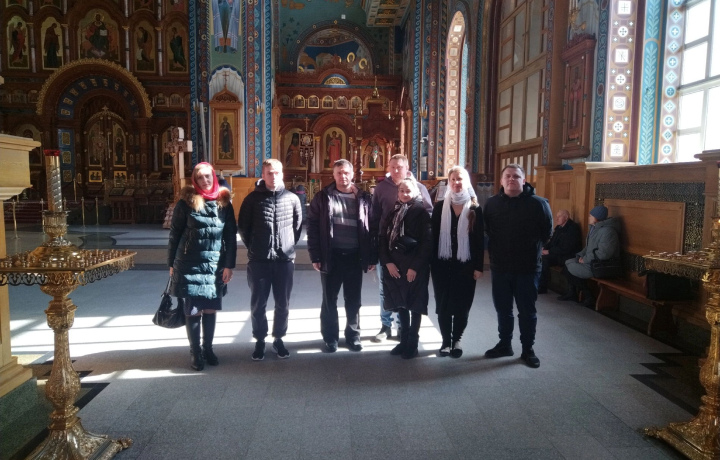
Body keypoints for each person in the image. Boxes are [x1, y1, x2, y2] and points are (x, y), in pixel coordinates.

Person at [168, 162, 237, 371]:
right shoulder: (185, 203)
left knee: (210, 307)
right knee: (193, 308)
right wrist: (171, 263)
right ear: (195, 180)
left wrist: (229, 265)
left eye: (208, 176)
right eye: (200, 177)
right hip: (189, 263)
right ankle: (195, 352)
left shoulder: (224, 203)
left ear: (213, 177)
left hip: (215, 263)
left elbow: (230, 237)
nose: (205, 180)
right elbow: (174, 234)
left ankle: (208, 348)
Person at [483, 164, 552, 368]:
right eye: (507, 176)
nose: (511, 179)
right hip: (500, 267)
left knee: (527, 311)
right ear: (501, 181)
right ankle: (505, 344)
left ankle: (527, 349)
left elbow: (547, 233)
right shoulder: (492, 204)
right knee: (503, 309)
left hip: (527, 267)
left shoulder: (539, 204)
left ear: (524, 180)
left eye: (516, 176)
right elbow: (487, 230)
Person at [307, 159, 376, 352]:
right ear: (334, 175)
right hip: (331, 255)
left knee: (353, 300)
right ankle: (330, 338)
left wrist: (371, 256)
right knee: (330, 299)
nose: (343, 176)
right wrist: (315, 255)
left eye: (346, 172)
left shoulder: (363, 197)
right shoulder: (323, 197)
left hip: (355, 256)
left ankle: (353, 336)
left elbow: (372, 228)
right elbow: (312, 227)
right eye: (339, 173)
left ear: (352, 174)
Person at [238, 159, 302, 361]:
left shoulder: (292, 199)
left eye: (276, 173)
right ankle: (259, 340)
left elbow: (297, 228)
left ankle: (279, 338)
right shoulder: (251, 200)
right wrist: (256, 247)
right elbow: (244, 228)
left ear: (282, 174)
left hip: (284, 261)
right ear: (263, 175)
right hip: (259, 261)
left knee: (283, 303)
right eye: (269, 173)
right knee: (258, 304)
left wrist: (286, 246)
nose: (273, 177)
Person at [370, 154, 433, 342]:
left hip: (411, 252)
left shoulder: (420, 188)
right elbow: (375, 218)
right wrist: (378, 250)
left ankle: (403, 330)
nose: (396, 170)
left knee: (409, 291)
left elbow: (429, 214)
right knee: (386, 288)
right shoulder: (381, 188)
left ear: (407, 168)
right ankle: (385, 325)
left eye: (399, 167)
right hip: (388, 249)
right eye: (392, 167)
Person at [431, 167, 484, 358]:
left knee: (462, 305)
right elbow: (433, 238)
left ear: (466, 181)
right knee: (443, 304)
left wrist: (478, 267)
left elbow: (479, 240)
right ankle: (446, 341)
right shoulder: (440, 207)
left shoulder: (475, 208)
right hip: (442, 264)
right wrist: (431, 264)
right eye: (452, 179)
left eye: (459, 179)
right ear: (449, 182)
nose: (456, 183)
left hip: (466, 265)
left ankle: (457, 340)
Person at [380, 178, 431, 358]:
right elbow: (383, 238)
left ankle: (413, 343)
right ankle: (403, 341)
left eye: (408, 191)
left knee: (415, 305)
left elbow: (427, 243)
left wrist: (414, 267)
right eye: (401, 190)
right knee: (401, 303)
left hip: (414, 267)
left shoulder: (421, 213)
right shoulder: (393, 211)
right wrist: (387, 262)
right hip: (395, 266)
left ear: (415, 192)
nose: (404, 194)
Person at [559, 205, 620, 306]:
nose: (588, 218)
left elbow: (604, 254)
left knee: (568, 267)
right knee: (568, 263)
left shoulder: (608, 232)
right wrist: (579, 256)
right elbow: (587, 248)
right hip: (592, 262)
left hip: (601, 266)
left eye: (591, 216)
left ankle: (588, 296)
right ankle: (575, 293)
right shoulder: (594, 228)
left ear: (597, 218)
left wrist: (585, 259)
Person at [538, 209, 582, 294]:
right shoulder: (559, 227)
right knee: (539, 257)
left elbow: (566, 248)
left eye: (559, 216)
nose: (557, 219)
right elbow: (552, 242)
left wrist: (549, 251)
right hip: (557, 254)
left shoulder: (573, 228)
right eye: (557, 216)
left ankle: (542, 287)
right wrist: (544, 248)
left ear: (566, 217)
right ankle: (540, 284)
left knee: (544, 259)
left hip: (567, 256)